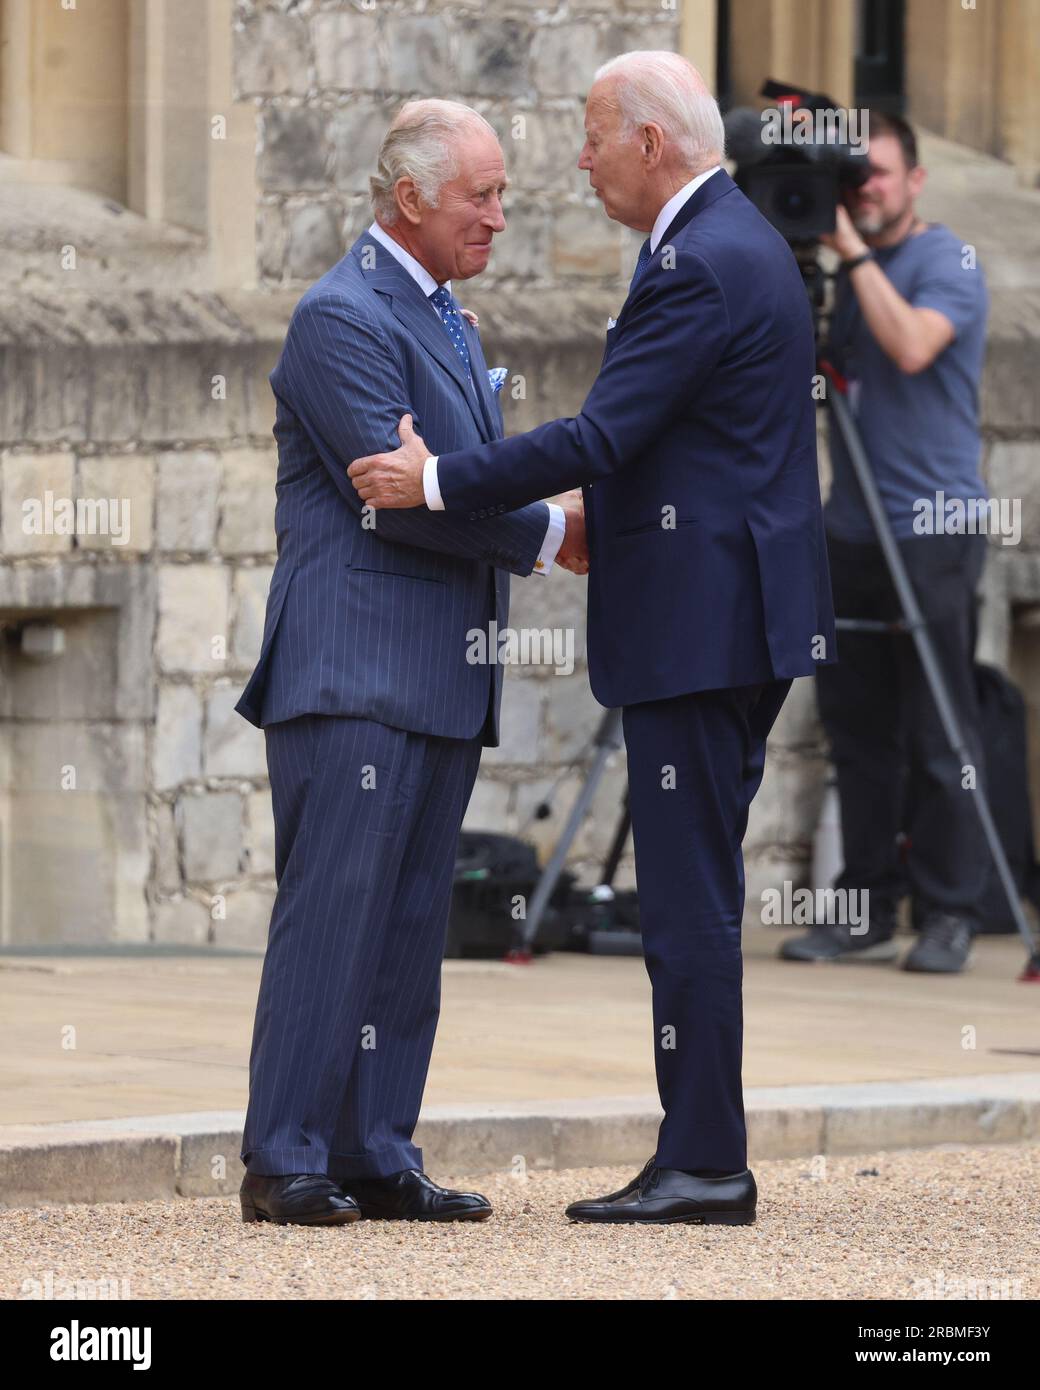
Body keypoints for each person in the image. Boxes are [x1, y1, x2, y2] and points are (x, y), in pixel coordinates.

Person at [349, 51, 836, 1225]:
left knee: (685, 901)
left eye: (590, 134)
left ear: (650, 145)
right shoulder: (725, 241)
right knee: (690, 891)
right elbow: (683, 442)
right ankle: (698, 1148)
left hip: (702, 627)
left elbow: (606, 431)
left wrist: (440, 480)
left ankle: (706, 1159)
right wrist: (572, 521)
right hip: (728, 616)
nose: (577, 157)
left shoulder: (699, 261)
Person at [234, 99, 586, 1226]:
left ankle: (374, 1148)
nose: (497, 213)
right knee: (333, 915)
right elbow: (404, 498)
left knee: (405, 931)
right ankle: (283, 1157)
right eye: (478, 195)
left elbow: (454, 474)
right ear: (410, 201)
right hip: (353, 668)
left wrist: (483, 487)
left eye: (499, 193)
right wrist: (545, 532)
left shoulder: (447, 318)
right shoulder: (340, 316)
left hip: (439, 669)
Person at [780, 111, 990, 975]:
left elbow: (909, 346)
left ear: (916, 179)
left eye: (879, 173)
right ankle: (863, 904)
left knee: (941, 733)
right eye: (852, 174)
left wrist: (850, 253)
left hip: (934, 527)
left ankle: (949, 912)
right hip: (851, 529)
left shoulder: (949, 263)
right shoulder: (844, 274)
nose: (865, 188)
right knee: (856, 731)